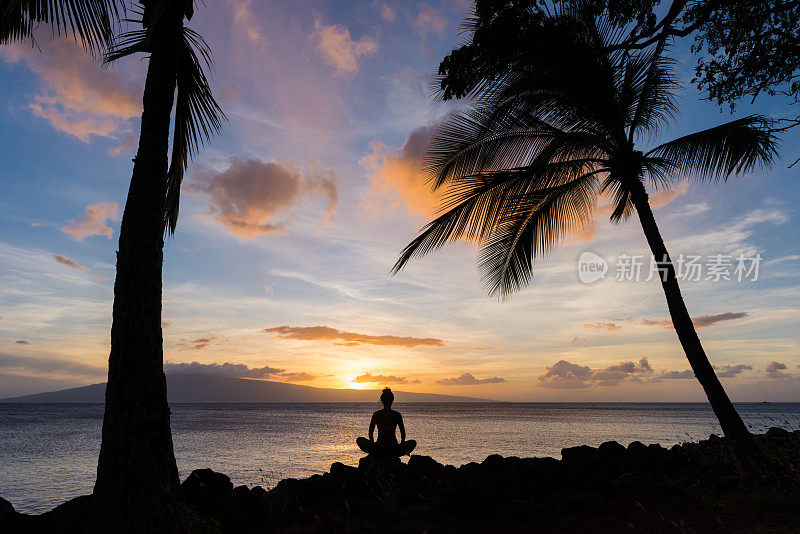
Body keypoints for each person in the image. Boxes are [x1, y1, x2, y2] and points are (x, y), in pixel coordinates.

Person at [356, 388, 416, 457]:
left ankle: (376, 453)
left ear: (382, 400)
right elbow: (402, 433)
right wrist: (401, 447)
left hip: (379, 447)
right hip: (394, 448)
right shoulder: (397, 415)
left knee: (359, 440)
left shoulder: (377, 414)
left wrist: (373, 445)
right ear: (392, 400)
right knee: (413, 442)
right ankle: (394, 453)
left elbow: (370, 432)